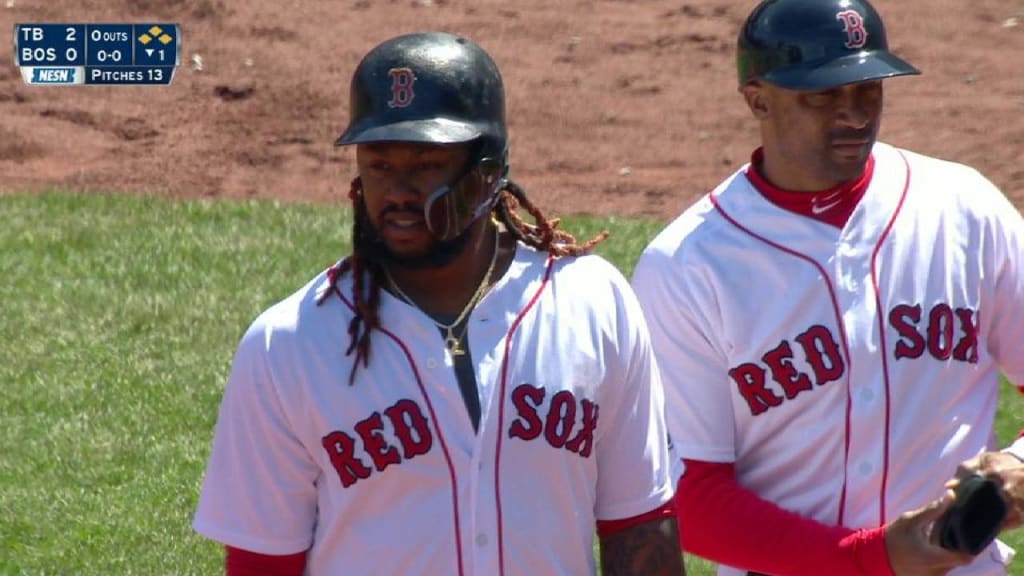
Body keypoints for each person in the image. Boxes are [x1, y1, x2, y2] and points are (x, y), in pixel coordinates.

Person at [193, 31, 683, 576]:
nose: (398, 191)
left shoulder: (592, 303)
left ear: (489, 173)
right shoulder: (288, 344)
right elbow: (262, 559)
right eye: (379, 165)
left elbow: (639, 521)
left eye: (425, 165)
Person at [631, 0, 1024, 574]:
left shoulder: (964, 210)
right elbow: (689, 498)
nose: (854, 113)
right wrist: (875, 558)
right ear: (757, 97)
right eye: (823, 94)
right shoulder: (689, 265)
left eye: (868, 90)